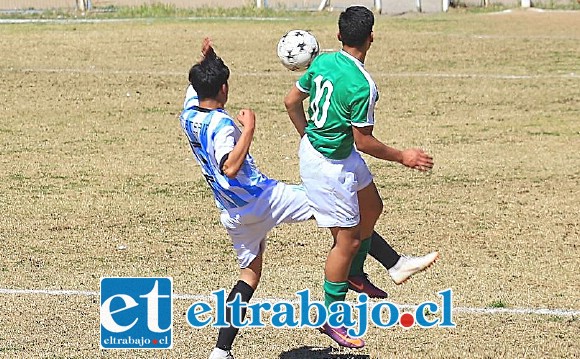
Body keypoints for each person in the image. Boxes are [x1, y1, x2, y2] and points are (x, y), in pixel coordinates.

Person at [181, 39, 438, 357]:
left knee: (249, 275)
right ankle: (382, 269)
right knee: (345, 212)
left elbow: (196, 86)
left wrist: (207, 59)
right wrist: (248, 129)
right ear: (224, 89)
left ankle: (221, 351)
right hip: (265, 198)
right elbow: (230, 166)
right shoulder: (223, 126)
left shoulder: (189, 113)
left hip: (233, 213)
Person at [284, 5, 436, 348]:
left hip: (333, 154)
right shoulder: (363, 86)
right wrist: (403, 156)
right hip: (329, 165)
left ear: (339, 35)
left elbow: (291, 101)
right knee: (347, 241)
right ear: (371, 38)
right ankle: (331, 319)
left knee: (372, 207)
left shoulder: (321, 61)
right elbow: (362, 140)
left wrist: (308, 135)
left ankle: (361, 272)